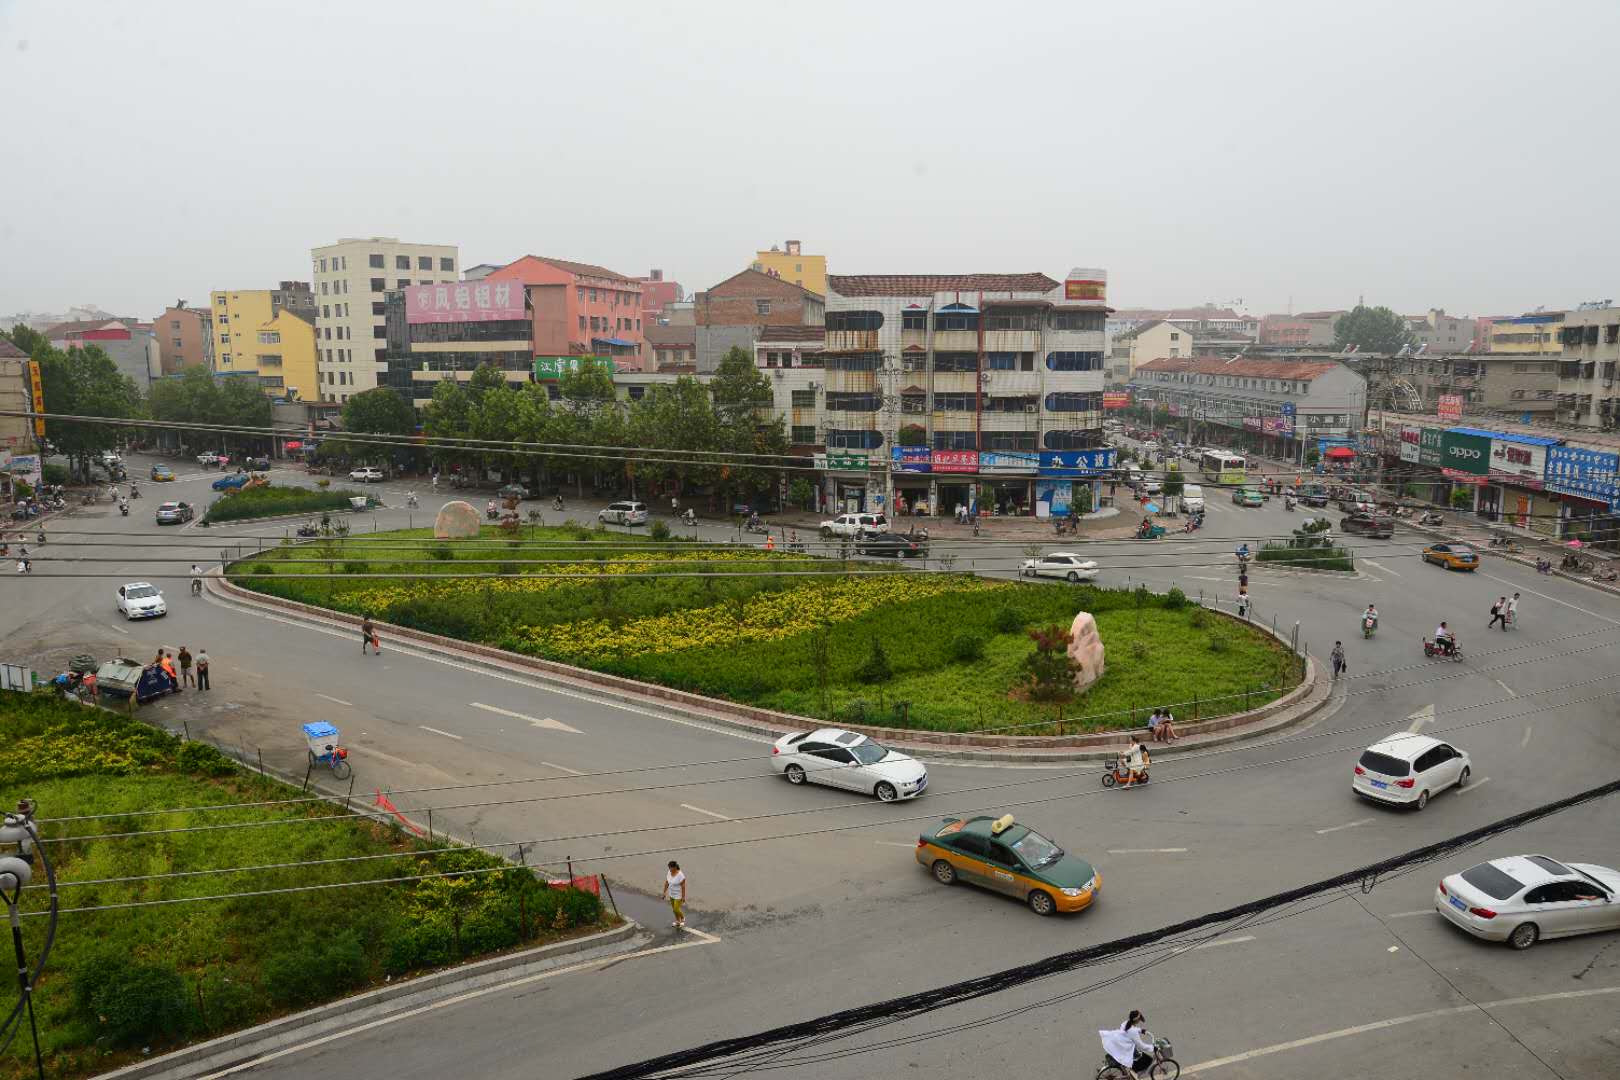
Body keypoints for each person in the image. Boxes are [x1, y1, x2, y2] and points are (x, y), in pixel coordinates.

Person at [1099, 1011, 1155, 1077]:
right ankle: (1136, 1073)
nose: (1139, 1021)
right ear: (1137, 1020)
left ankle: (1129, 1071)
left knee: (1138, 1055)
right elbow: (1141, 1046)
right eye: (1139, 1019)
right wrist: (1152, 1048)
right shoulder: (1133, 1032)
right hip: (1125, 1048)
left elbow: (1131, 1029)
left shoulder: (1126, 1023)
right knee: (1147, 1059)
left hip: (1119, 1044)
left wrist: (1140, 1030)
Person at [662, 859, 687, 931]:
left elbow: (683, 887)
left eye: (671, 868)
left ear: (675, 867)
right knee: (674, 910)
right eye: (669, 868)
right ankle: (678, 921)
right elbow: (667, 882)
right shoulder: (669, 872)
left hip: (678, 895)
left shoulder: (681, 875)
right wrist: (664, 892)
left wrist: (683, 897)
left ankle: (682, 918)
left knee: (676, 909)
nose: (669, 869)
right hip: (671, 893)